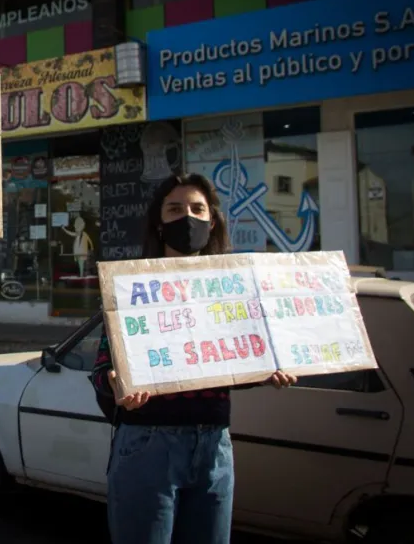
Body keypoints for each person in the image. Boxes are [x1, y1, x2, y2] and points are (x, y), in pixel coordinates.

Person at [90, 172, 297, 544]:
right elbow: (104, 367)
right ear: (160, 221)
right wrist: (115, 385)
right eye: (175, 208)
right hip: (147, 444)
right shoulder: (131, 286)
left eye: (197, 208)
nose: (188, 217)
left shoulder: (233, 288)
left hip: (215, 445)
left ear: (212, 219)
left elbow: (230, 363)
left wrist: (269, 369)